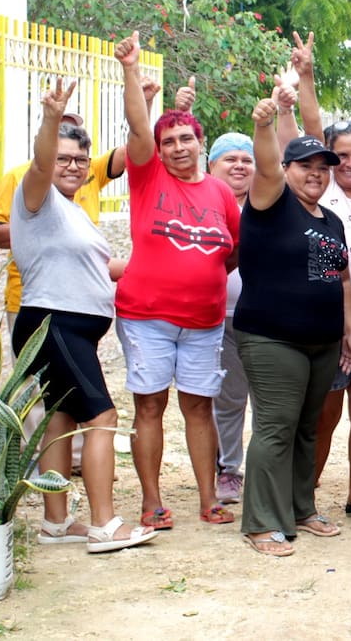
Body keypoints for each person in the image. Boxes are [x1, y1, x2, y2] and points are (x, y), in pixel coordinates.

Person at [11, 78, 156, 553]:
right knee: (103, 416)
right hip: (54, 324)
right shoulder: (36, 200)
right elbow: (38, 162)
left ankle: (56, 522)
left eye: (79, 160)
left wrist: (159, 265)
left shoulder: (74, 212)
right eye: (63, 159)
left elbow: (102, 267)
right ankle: (104, 523)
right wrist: (52, 118)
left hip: (73, 328)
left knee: (61, 422)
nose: (71, 166)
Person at [112, 31, 240, 531]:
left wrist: (201, 278)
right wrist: (130, 70)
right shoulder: (148, 176)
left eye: (186, 138)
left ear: (200, 142)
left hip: (204, 322)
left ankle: (209, 499)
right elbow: (137, 128)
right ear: (158, 151)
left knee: (199, 409)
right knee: (149, 406)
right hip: (146, 316)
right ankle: (151, 501)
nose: (178, 147)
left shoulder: (220, 193)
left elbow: (229, 253)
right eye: (169, 142)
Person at [233, 82, 351, 555]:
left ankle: (300, 508)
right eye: (305, 166)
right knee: (275, 426)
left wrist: (349, 330)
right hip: (272, 337)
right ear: (287, 170)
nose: (315, 174)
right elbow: (266, 164)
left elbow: (342, 279)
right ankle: (262, 522)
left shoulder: (330, 219)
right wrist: (264, 124)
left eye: (321, 167)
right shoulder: (269, 202)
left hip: (323, 341)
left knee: (309, 427)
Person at [293, 33, 351, 522]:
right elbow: (310, 124)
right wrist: (305, 75)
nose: (350, 162)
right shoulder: (320, 192)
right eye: (340, 155)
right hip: (329, 324)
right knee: (324, 415)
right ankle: (304, 495)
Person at [207, 132, 256, 505]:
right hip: (215, 318)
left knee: (269, 400)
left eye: (247, 159)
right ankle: (229, 470)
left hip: (262, 320)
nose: (239, 166)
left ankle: (266, 470)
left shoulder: (265, 205)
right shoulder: (201, 203)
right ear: (211, 166)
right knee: (227, 399)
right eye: (230, 159)